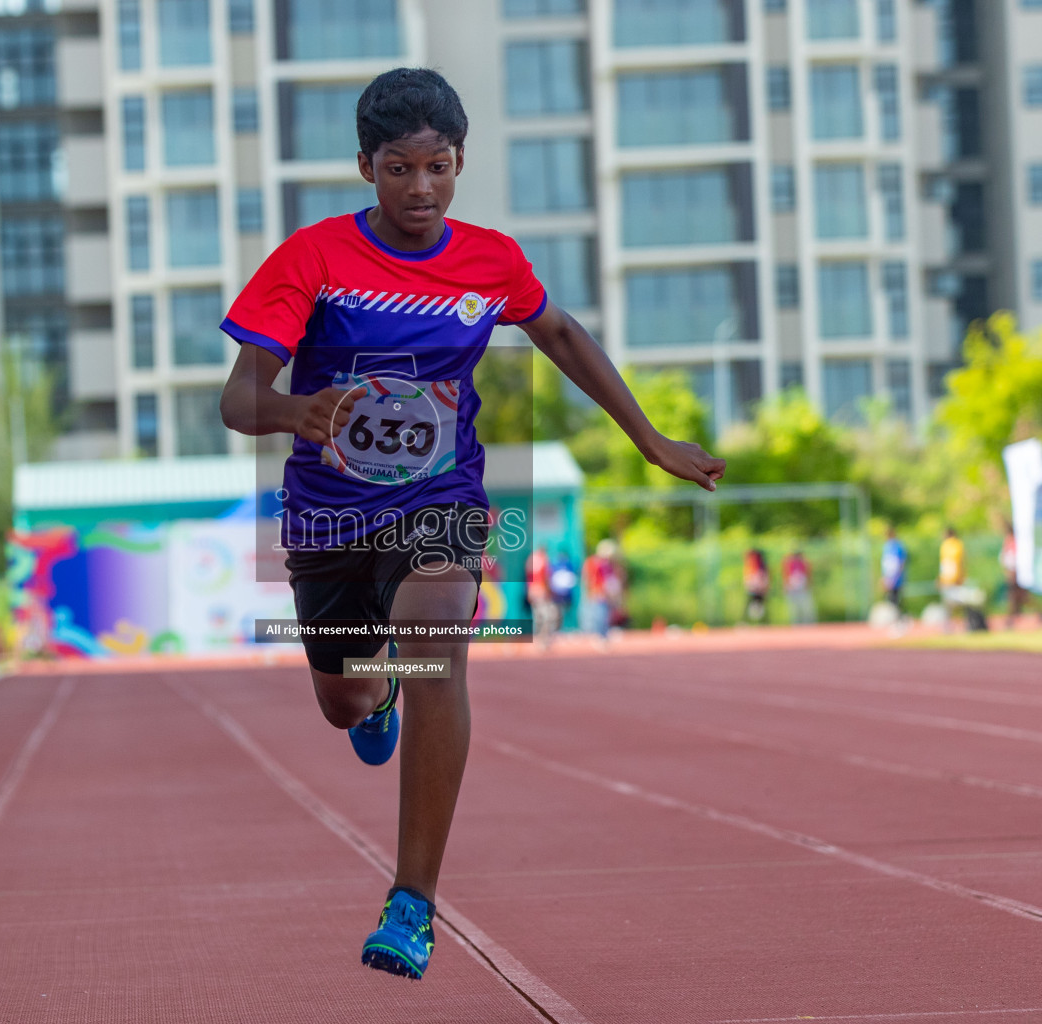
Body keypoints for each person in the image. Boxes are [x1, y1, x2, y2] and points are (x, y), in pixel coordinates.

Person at [217, 67, 724, 981]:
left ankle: (412, 900)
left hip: (441, 499)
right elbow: (239, 397)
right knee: (346, 701)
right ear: (365, 166)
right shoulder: (314, 260)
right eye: (400, 169)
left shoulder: (490, 260)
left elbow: (561, 334)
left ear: (461, 164)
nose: (421, 189)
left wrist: (648, 438)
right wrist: (302, 410)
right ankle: (379, 697)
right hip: (330, 518)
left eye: (439, 168)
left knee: (435, 638)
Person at [581, 539, 624, 641]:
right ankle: (600, 635)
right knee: (599, 615)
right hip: (598, 592)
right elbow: (588, 578)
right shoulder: (594, 563)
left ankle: (603, 634)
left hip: (604, 593)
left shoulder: (607, 564)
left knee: (604, 615)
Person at [524, 546, 558, 647]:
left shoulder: (531, 560)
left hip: (535, 591)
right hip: (541, 592)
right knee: (546, 616)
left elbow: (529, 577)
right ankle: (543, 639)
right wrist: (549, 591)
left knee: (540, 616)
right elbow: (546, 578)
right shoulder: (542, 560)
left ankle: (541, 639)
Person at [938, 526, 967, 630]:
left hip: (950, 578)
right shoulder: (954, 545)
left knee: (951, 603)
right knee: (954, 603)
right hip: (952, 578)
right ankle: (956, 625)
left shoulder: (950, 545)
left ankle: (951, 625)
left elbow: (949, 563)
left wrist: (941, 578)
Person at [782, 549, 815, 625]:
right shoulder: (789, 563)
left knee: (806, 607)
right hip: (793, 587)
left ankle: (808, 623)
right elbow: (786, 574)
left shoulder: (804, 563)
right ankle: (796, 623)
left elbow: (808, 573)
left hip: (802, 587)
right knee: (794, 608)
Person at [881, 525, 907, 613]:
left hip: (896, 578)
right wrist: (885, 578)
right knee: (890, 599)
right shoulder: (886, 547)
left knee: (896, 599)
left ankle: (900, 618)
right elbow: (886, 564)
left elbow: (901, 562)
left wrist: (896, 577)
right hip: (889, 577)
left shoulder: (898, 546)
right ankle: (895, 617)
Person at [743, 548, 769, 622]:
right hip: (753, 587)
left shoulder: (760, 564)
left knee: (761, 604)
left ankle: (764, 622)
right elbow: (748, 576)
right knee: (751, 604)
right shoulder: (751, 563)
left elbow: (764, 576)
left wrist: (763, 585)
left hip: (759, 587)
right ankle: (749, 621)